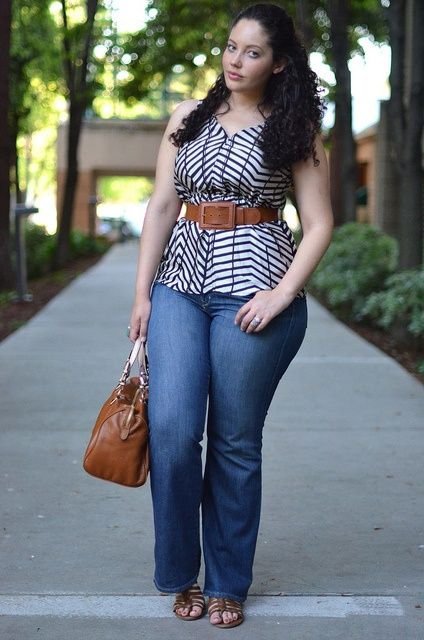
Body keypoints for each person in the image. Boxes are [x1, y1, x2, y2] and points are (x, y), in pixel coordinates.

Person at [128, 2, 333, 629]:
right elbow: (162, 207)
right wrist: (141, 296)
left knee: (236, 443)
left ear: (278, 63)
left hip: (255, 294)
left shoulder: (294, 126)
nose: (236, 61)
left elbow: (320, 223)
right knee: (171, 428)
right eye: (230, 47)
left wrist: (283, 295)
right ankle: (178, 574)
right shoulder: (186, 118)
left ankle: (226, 584)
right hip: (180, 287)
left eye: (252, 52)